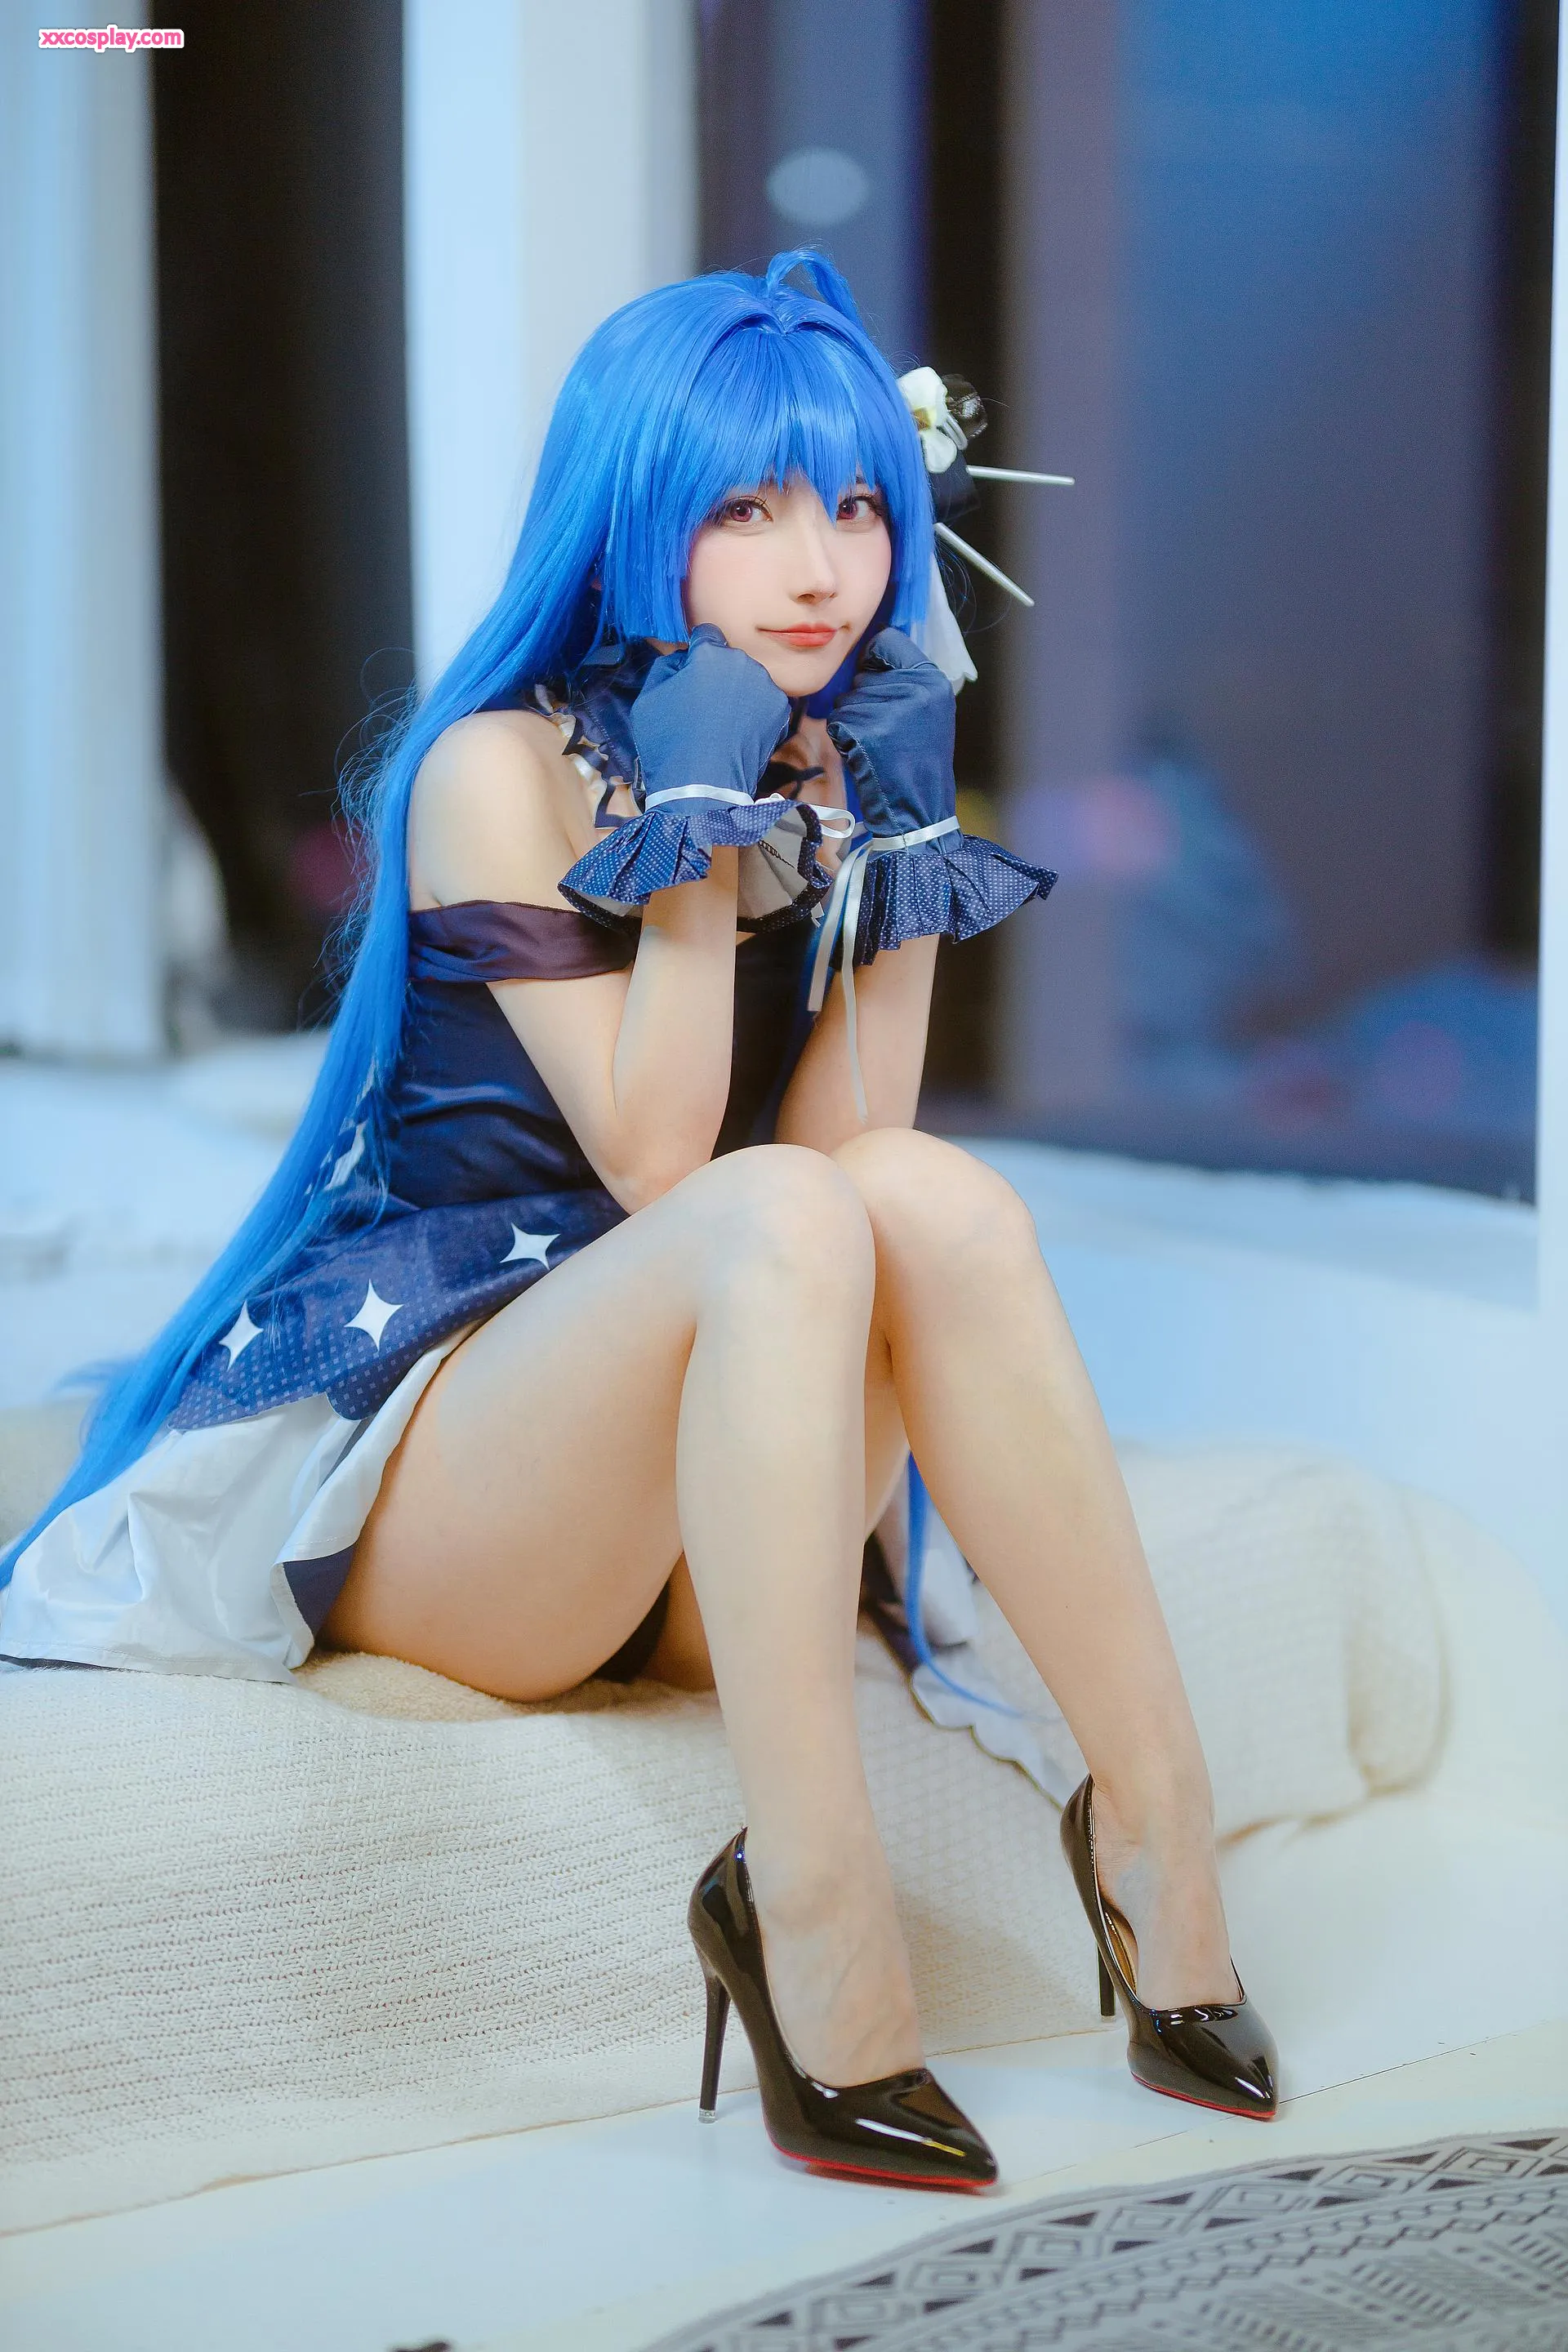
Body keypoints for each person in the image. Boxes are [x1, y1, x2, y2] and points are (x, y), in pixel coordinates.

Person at [0, 251, 1276, 2188]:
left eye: (856, 506)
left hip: (695, 1478)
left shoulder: (825, 749)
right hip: (456, 1456)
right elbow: (671, 1172)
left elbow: (857, 1153)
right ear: (634, 517)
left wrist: (900, 864)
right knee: (773, 1221)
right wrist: (694, 840)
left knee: (920, 1192)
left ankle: (1158, 1825)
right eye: (746, 510)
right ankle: (813, 1909)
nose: (820, 567)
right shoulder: (495, 773)